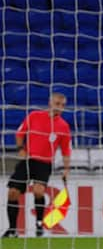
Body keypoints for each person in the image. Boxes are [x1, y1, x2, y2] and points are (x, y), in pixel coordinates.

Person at [2, 93, 71, 238]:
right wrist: (21, 149)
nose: (59, 107)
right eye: (57, 104)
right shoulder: (34, 116)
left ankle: (39, 224)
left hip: (44, 163)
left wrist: (66, 169)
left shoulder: (63, 126)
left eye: (62, 105)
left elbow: (66, 150)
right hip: (28, 160)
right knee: (13, 192)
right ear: (50, 103)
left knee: (38, 191)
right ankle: (12, 229)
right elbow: (20, 133)